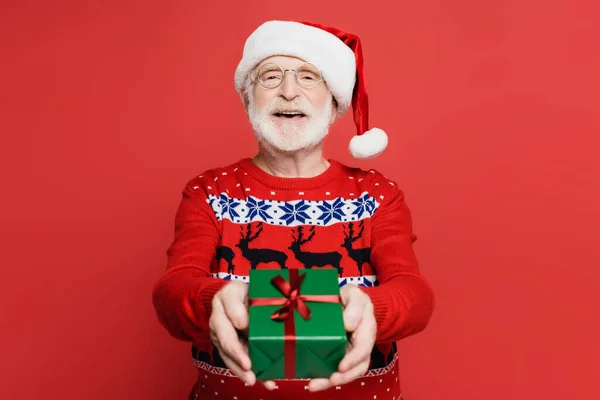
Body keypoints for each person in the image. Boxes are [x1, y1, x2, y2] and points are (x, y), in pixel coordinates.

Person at [152, 20, 435, 400]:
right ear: (248, 98)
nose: (288, 92)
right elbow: (172, 291)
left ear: (335, 104)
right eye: (270, 76)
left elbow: (415, 295)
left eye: (308, 77)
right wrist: (212, 300)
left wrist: (372, 308)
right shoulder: (209, 191)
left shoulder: (377, 194)